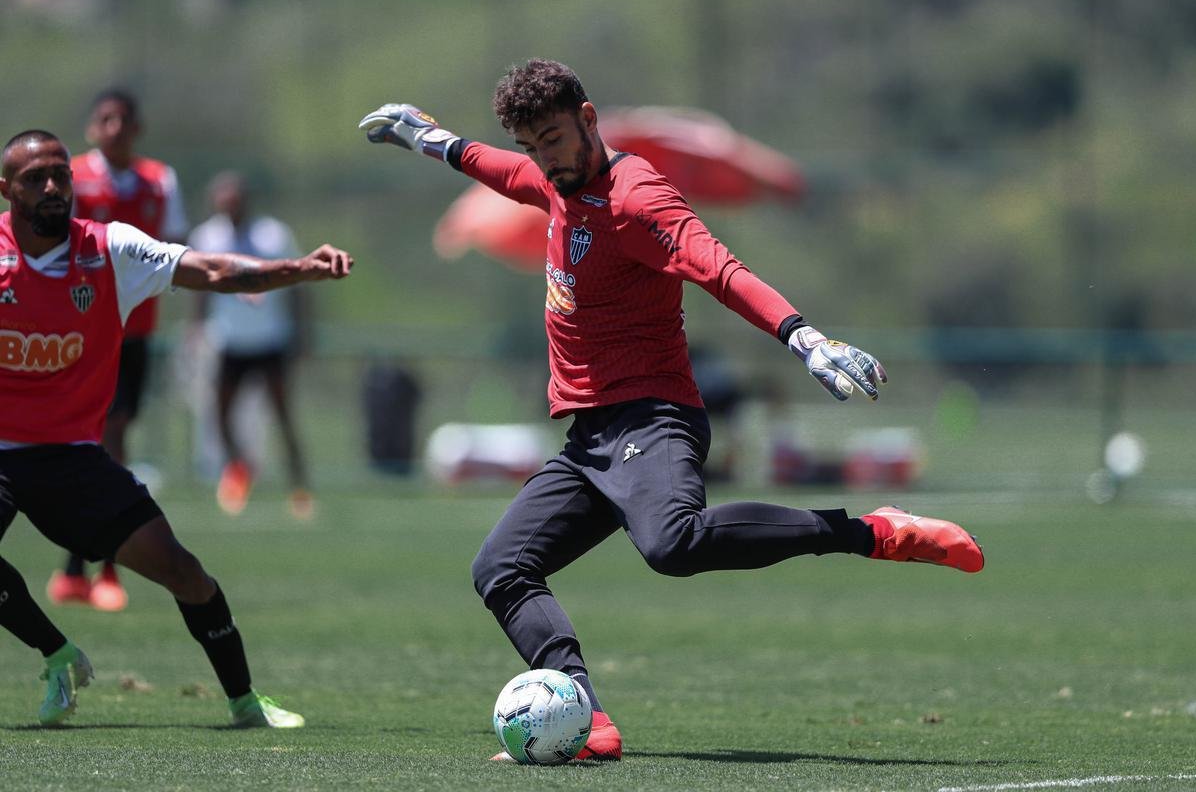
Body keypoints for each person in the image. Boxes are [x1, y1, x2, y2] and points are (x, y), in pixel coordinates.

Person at [359, 58, 985, 762]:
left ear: (588, 120)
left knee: (672, 545)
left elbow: (717, 267)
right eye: (533, 145)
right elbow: (496, 166)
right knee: (500, 568)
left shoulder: (637, 197)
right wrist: (428, 139)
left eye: (555, 140)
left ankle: (870, 532)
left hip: (651, 417)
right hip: (590, 438)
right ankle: (585, 720)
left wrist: (802, 337)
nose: (544, 159)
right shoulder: (551, 175)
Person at [0, 129, 352, 727]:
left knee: (184, 573)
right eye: (36, 178)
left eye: (62, 174)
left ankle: (245, 703)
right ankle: (58, 655)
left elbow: (212, 270)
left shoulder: (110, 250)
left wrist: (298, 269)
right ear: (7, 189)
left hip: (73, 458)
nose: (54, 187)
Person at [46, 88, 190, 612]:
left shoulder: (160, 180)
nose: (114, 128)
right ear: (92, 127)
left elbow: (176, 252)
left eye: (123, 120)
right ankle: (85, 566)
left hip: (133, 333)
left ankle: (96, 567)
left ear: (137, 128)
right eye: (104, 119)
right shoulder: (68, 177)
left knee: (111, 439)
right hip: (80, 329)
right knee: (85, 441)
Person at [189, 171, 312, 519]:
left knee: (284, 417)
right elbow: (196, 284)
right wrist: (196, 329)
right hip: (230, 342)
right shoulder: (206, 236)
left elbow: (298, 284)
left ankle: (299, 488)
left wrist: (302, 333)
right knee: (220, 415)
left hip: (270, 341)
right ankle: (239, 470)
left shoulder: (273, 234)